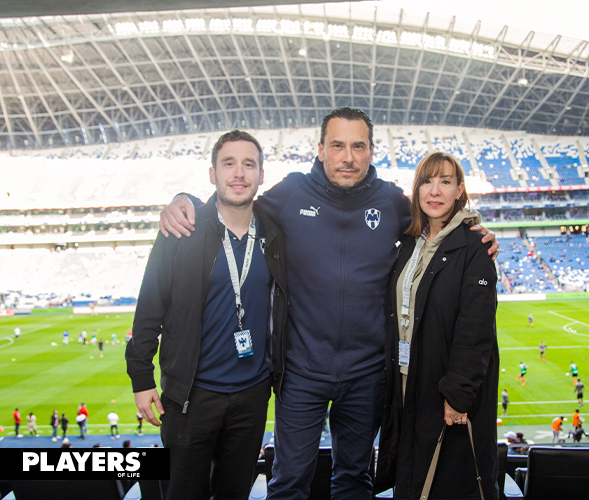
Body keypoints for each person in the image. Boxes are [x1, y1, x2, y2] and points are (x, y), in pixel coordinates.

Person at [158, 107, 500, 499]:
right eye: (337, 146)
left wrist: (475, 234)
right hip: (302, 372)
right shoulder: (291, 192)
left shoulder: (391, 201)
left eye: (358, 146)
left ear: (371, 151)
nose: (348, 157)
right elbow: (236, 203)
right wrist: (185, 200)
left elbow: (436, 221)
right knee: (289, 482)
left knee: (354, 480)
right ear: (321, 150)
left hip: (367, 374)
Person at [126, 130, 288, 500]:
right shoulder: (182, 229)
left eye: (249, 164)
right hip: (191, 398)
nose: (239, 173)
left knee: (235, 494)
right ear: (212, 174)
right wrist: (141, 379)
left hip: (251, 395)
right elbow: (149, 306)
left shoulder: (276, 233)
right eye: (228, 163)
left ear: (262, 175)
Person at [374, 151, 499, 499]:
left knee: (445, 483)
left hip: (444, 392)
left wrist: (457, 394)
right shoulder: (409, 243)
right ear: (416, 190)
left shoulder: (475, 246)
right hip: (406, 385)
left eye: (445, 182)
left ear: (459, 190)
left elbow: (476, 329)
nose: (434, 190)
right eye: (427, 181)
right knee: (411, 480)